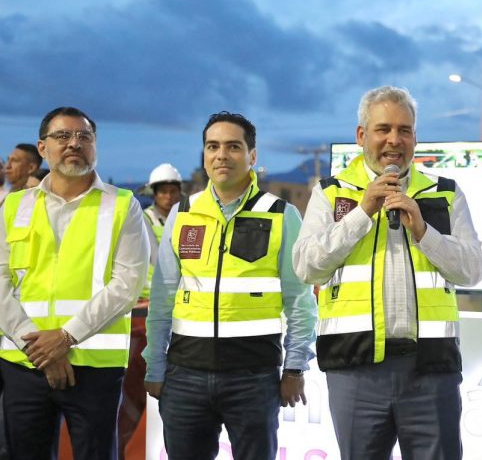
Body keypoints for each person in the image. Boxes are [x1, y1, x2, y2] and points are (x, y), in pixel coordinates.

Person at [293, 86, 482, 460]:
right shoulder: (331, 193)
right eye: (383, 129)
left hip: (430, 369)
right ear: (362, 135)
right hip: (355, 369)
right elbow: (306, 266)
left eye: (404, 130)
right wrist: (362, 212)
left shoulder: (444, 193)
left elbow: (473, 271)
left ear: (415, 136)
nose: (394, 140)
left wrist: (424, 233)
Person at [142, 111, 317, 460]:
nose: (221, 155)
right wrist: (155, 366)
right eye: (212, 146)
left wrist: (294, 368)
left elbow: (299, 301)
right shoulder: (183, 213)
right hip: (184, 377)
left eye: (233, 146)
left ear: (252, 156)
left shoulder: (281, 214)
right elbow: (163, 298)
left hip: (254, 380)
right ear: (204, 156)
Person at [0, 106, 150, 459]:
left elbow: (127, 283)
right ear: (42, 148)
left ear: (95, 146)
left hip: (93, 364)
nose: (74, 143)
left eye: (84, 136)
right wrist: (39, 349)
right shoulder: (13, 206)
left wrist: (66, 337)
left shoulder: (122, 205)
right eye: (62, 136)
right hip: (25, 363)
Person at [117, 163, 183, 458]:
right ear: (154, 194)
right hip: (142, 310)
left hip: (173, 307)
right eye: (164, 191)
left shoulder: (188, 219)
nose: (168, 196)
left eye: (173, 190)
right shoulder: (142, 221)